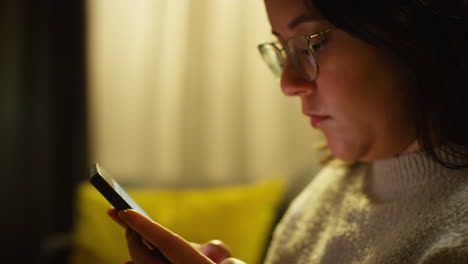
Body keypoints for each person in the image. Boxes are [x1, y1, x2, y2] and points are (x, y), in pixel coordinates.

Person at [108, 0, 468, 263]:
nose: (287, 83)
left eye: (313, 42)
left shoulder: (456, 237)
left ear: (411, 34)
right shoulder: (334, 184)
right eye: (282, 49)